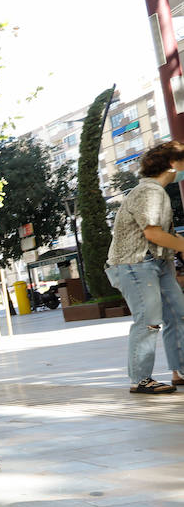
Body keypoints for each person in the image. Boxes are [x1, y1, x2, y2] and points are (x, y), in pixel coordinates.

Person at [105, 140, 184, 394]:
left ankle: (180, 370)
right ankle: (140, 379)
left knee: (178, 314)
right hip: (136, 264)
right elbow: (152, 233)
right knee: (149, 320)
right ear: (173, 164)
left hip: (156, 263)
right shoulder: (150, 192)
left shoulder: (156, 191)